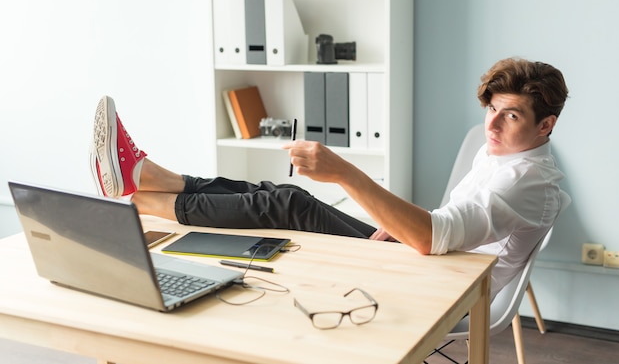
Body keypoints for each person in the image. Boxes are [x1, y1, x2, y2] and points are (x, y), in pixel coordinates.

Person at [90, 57, 569, 298]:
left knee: (290, 205)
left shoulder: (526, 180)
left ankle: (142, 196)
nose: (491, 125)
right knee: (279, 194)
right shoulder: (506, 154)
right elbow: (446, 225)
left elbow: (434, 237)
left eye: (509, 115)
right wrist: (404, 228)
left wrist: (342, 171)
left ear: (545, 124)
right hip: (434, 258)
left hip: (450, 288)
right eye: (491, 110)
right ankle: (145, 177)